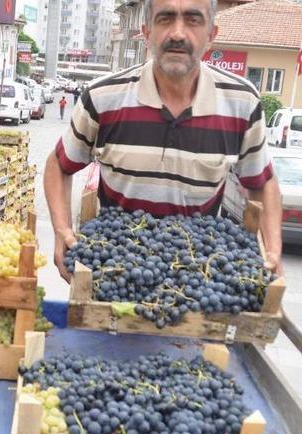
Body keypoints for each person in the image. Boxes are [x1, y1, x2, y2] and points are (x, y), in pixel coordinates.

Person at [44, 0, 282, 282]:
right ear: (146, 33)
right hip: (117, 268)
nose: (178, 33)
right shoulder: (103, 97)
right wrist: (62, 230)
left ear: (211, 35)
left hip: (194, 277)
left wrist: (273, 251)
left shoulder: (241, 102)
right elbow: (59, 165)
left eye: (193, 20)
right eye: (165, 18)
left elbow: (262, 183)